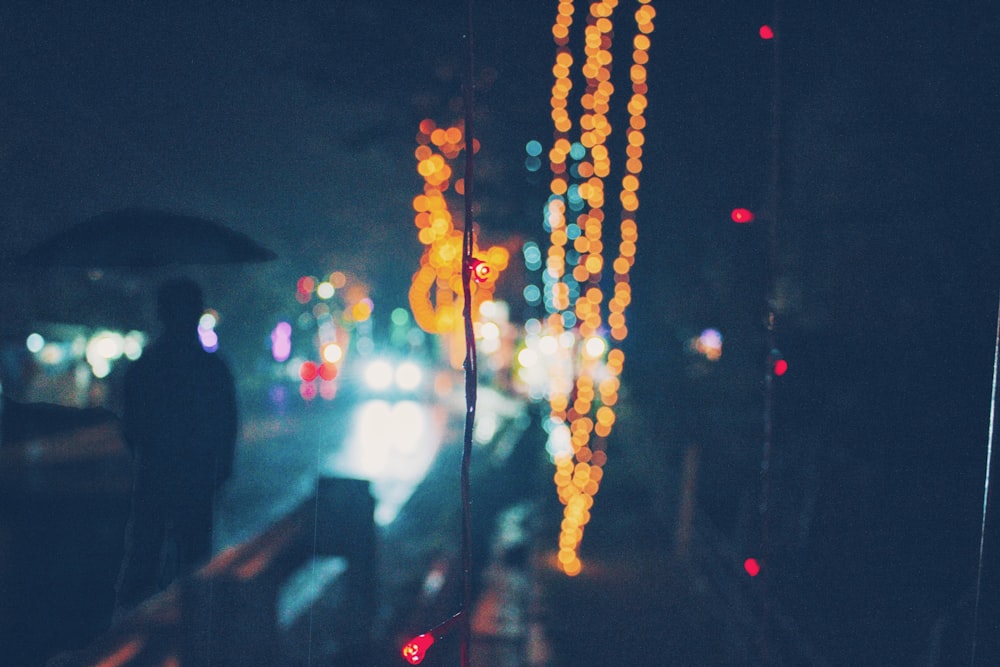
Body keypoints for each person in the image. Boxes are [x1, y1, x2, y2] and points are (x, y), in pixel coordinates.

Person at [115, 277, 238, 613]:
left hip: (155, 473)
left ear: (161, 313)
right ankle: (192, 634)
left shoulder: (145, 366)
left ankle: (130, 637)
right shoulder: (213, 368)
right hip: (198, 475)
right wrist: (221, 468)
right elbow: (227, 425)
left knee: (144, 557)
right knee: (194, 562)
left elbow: (131, 428)